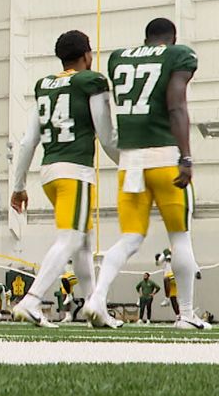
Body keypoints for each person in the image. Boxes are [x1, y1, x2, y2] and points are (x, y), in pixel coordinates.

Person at [84, 18, 208, 329]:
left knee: (129, 238)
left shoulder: (119, 58)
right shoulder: (178, 55)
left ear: (146, 38)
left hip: (130, 161)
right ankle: (186, 314)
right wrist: (186, 157)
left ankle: (97, 297)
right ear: (172, 38)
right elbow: (176, 107)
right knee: (180, 236)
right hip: (165, 157)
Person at [9, 29, 118, 328]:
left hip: (49, 173)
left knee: (83, 242)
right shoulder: (90, 81)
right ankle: (32, 300)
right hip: (75, 171)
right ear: (87, 55)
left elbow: (28, 141)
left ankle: (95, 307)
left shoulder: (45, 85)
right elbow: (107, 137)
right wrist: (130, 164)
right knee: (71, 239)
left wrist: (19, 186)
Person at [156, 249, 180, 318]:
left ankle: (166, 298)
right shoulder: (166, 251)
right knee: (173, 298)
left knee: (166, 279)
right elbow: (158, 263)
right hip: (169, 275)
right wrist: (157, 259)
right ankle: (178, 316)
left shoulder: (180, 252)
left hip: (175, 274)